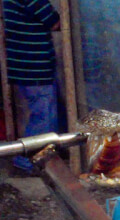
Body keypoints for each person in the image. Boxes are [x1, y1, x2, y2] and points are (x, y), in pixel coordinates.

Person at [2, 0, 60, 172]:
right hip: (35, 68)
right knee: (43, 116)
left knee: (42, 114)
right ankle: (27, 160)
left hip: (25, 67)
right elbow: (54, 21)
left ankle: (37, 158)